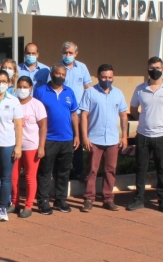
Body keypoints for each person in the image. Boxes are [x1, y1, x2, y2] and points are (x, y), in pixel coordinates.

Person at [126, 57, 163, 214]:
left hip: (162, 136)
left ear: (162, 69)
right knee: (141, 168)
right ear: (148, 69)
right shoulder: (140, 89)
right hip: (143, 135)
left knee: (162, 168)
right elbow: (133, 109)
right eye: (152, 68)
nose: (155, 70)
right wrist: (143, 120)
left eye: (158, 68)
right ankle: (138, 199)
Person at [79, 64, 128, 212]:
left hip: (112, 139)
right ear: (97, 77)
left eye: (110, 77)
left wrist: (124, 136)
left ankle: (108, 199)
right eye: (104, 77)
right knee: (92, 170)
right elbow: (84, 115)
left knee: (110, 170)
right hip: (94, 138)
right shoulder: (90, 92)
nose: (107, 80)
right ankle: (89, 199)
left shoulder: (118, 93)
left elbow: (123, 115)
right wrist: (84, 137)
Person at [33, 64, 79, 215]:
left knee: (63, 172)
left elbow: (74, 114)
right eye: (57, 73)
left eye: (63, 74)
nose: (60, 76)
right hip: (48, 138)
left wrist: (77, 135)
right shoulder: (40, 91)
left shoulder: (69, 92)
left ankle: (60, 200)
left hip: (67, 138)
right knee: (45, 171)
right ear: (52, 73)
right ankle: (43, 201)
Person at [0, 69, 23, 221]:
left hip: (8, 143)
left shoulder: (13, 100)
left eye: (4, 81)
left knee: (6, 177)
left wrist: (18, 146)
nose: (0, 84)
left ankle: (3, 207)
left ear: (9, 83)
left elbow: (18, 125)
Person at [11, 76, 47, 218]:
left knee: (30, 177)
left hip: (31, 146)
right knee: (13, 177)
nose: (22, 89)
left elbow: (43, 126)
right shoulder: (13, 103)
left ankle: (28, 206)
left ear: (31, 88)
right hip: (14, 145)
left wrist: (41, 146)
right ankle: (14, 203)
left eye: (25, 87)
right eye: (19, 87)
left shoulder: (37, 105)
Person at [57, 41, 93, 180]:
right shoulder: (57, 68)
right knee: (62, 144)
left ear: (76, 54)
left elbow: (88, 88)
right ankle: (60, 173)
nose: (68, 55)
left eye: (70, 53)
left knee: (77, 144)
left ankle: (78, 171)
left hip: (77, 113)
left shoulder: (82, 67)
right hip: (62, 114)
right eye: (65, 53)